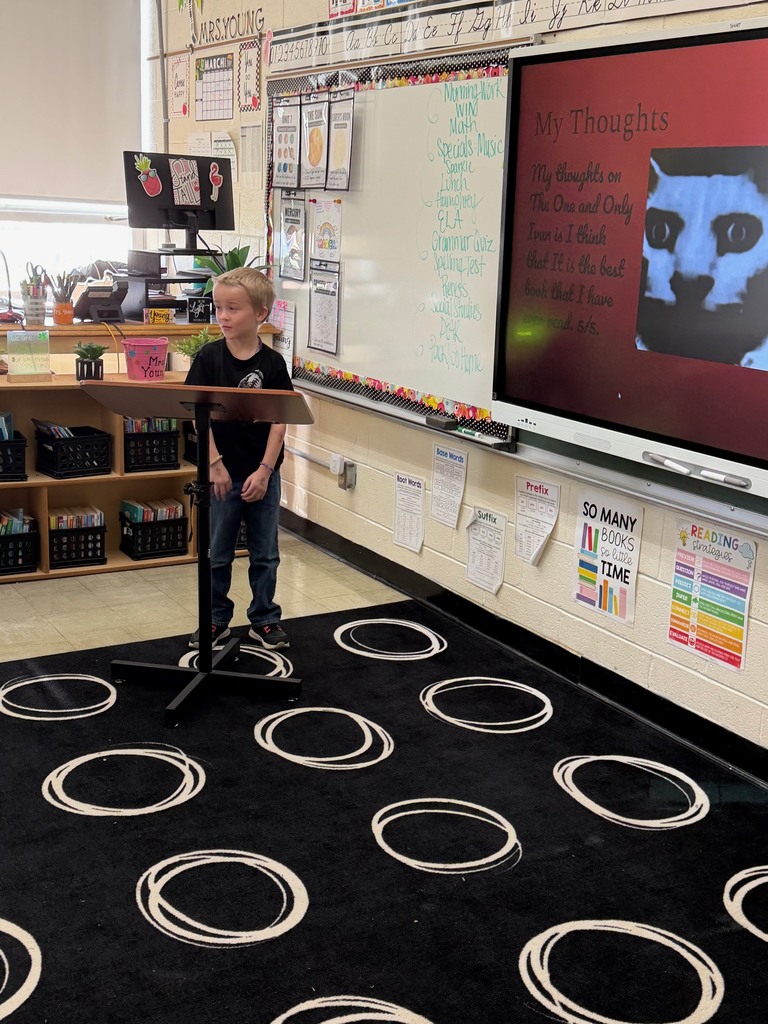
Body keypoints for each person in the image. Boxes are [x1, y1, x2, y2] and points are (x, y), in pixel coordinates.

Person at [184, 266, 292, 650]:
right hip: (221, 475)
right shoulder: (209, 359)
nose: (223, 317)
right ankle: (215, 619)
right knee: (217, 553)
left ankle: (264, 618)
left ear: (260, 314)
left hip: (261, 473)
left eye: (233, 309)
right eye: (219, 308)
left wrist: (265, 471)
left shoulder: (274, 365)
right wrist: (214, 465)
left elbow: (280, 421)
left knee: (265, 554)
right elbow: (199, 419)